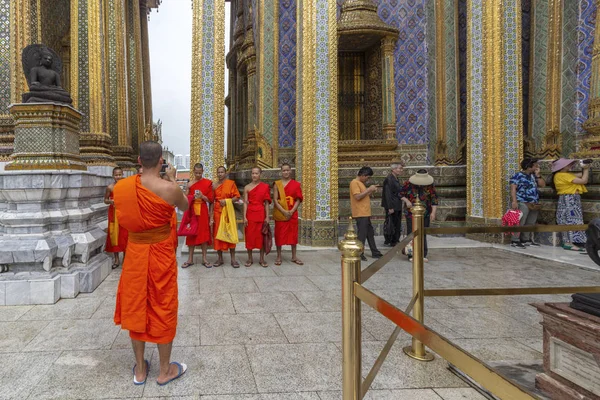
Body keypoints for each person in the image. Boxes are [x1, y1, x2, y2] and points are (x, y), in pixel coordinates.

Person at [113, 140, 189, 386]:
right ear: (161, 161)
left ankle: (140, 371)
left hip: (134, 253)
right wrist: (173, 180)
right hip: (161, 254)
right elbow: (186, 206)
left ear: (138, 161)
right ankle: (164, 370)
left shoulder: (121, 187)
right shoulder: (170, 189)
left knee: (136, 305)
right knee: (163, 305)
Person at [400, 169, 439, 262]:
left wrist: (433, 213)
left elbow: (434, 200)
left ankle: (423, 254)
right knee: (411, 234)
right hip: (411, 213)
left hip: (425, 214)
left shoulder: (430, 186)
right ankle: (411, 254)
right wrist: (407, 201)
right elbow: (400, 194)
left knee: (423, 234)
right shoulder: (408, 184)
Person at [552, 158, 590, 252]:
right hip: (568, 199)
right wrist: (586, 169)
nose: (570, 165)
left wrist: (585, 167)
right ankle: (568, 243)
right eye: (568, 164)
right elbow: (583, 180)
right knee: (569, 219)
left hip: (571, 199)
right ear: (562, 167)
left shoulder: (565, 175)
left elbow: (580, 175)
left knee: (573, 219)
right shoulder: (561, 175)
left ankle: (572, 242)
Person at [182, 163, 214, 268]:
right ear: (193, 172)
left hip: (203, 211)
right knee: (191, 234)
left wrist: (202, 196)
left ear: (203, 172)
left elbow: (211, 200)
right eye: (196, 173)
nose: (198, 175)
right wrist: (190, 196)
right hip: (192, 211)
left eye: (200, 173)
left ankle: (204, 259)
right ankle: (190, 259)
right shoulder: (190, 184)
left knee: (204, 234)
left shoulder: (208, 183)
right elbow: (185, 198)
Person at [509, 158, 546, 248]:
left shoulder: (533, 176)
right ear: (529, 166)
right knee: (520, 221)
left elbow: (542, 185)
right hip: (522, 201)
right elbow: (513, 188)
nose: (537, 167)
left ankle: (526, 239)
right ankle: (515, 240)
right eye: (535, 165)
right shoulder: (518, 175)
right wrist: (514, 201)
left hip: (533, 202)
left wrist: (538, 175)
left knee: (530, 222)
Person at [350, 166, 383, 262]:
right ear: (363, 175)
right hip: (360, 213)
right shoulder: (354, 183)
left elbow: (363, 195)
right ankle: (359, 253)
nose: (368, 180)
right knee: (362, 235)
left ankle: (375, 252)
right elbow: (357, 197)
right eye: (367, 177)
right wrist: (369, 190)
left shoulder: (360, 183)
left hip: (365, 212)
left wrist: (370, 191)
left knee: (370, 233)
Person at [273, 163, 304, 265]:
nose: (285, 172)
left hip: (292, 212)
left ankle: (294, 256)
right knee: (279, 234)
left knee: (293, 235)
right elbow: (275, 200)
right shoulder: (277, 184)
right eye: (283, 171)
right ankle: (278, 256)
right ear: (281, 172)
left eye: (287, 170)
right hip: (281, 212)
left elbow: (298, 199)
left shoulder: (296, 184)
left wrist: (291, 211)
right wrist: (284, 211)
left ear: (291, 171)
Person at [213, 166, 241, 267]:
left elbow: (237, 196)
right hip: (217, 212)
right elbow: (212, 200)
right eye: (218, 172)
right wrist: (211, 215)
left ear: (225, 173)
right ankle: (220, 259)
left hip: (228, 211)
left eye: (222, 172)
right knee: (218, 234)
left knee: (230, 233)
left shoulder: (230, 183)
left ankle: (233, 259)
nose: (220, 174)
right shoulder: (214, 185)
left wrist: (227, 201)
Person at [244, 166, 271, 267]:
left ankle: (261, 259)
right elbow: (245, 203)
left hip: (261, 213)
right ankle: (250, 259)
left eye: (256, 173)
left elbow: (267, 203)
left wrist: (267, 216)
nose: (254, 175)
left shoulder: (265, 186)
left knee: (261, 237)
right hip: (250, 214)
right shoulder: (247, 187)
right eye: (253, 173)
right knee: (250, 237)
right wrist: (244, 217)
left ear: (260, 174)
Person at [104, 167, 129, 269]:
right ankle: (116, 259)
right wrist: (111, 201)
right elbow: (105, 200)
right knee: (114, 235)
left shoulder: (126, 186)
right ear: (113, 175)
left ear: (123, 174)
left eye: (120, 174)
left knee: (125, 235)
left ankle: (125, 259)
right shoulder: (110, 187)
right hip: (113, 213)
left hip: (124, 213)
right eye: (116, 175)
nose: (118, 177)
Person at [381, 163, 404, 247]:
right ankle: (391, 239)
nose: (401, 170)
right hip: (392, 205)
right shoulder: (389, 179)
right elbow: (388, 194)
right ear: (394, 169)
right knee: (391, 222)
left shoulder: (396, 178)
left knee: (397, 222)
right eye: (400, 168)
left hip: (397, 204)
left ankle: (395, 239)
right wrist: (390, 207)